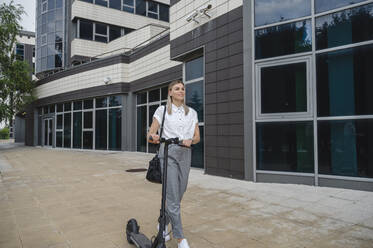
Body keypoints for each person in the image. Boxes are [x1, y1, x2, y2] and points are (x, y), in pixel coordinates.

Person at [147, 80, 200, 248]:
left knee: (179, 193)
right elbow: (150, 134)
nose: (181, 91)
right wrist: (153, 137)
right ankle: (180, 238)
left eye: (183, 89)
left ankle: (162, 223)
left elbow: (198, 137)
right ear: (170, 92)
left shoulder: (191, 112)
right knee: (173, 197)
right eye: (177, 89)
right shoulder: (162, 111)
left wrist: (191, 140)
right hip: (168, 152)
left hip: (185, 154)